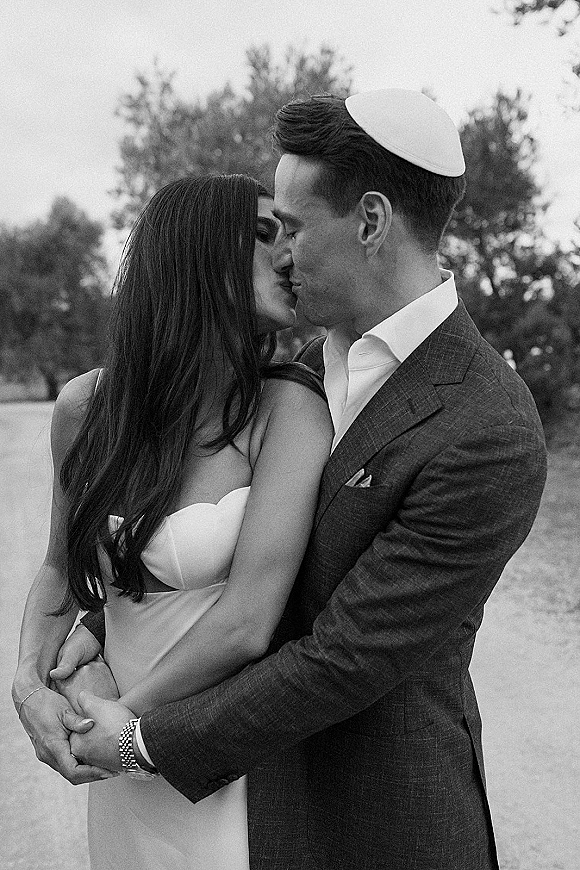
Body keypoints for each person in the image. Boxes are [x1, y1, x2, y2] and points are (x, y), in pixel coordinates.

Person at [24, 89, 547, 870]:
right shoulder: (296, 373)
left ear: (369, 223)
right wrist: (113, 614)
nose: (283, 253)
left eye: (293, 229)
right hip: (241, 799)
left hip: (369, 820)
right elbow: (206, 539)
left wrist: (133, 736)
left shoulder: (487, 426)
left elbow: (343, 656)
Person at [12, 173, 333, 869]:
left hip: (215, 762)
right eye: (260, 233)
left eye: (287, 233)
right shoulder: (85, 410)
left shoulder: (287, 411)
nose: (286, 254)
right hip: (118, 762)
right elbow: (59, 571)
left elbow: (247, 621)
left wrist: (125, 721)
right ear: (192, 253)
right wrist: (29, 686)